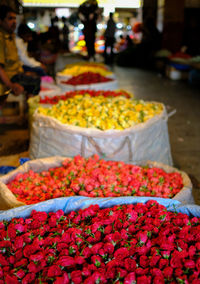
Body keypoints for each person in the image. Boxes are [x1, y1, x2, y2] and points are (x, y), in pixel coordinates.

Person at [0, 5, 41, 105]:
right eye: (10, 18)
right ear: (1, 21)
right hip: (9, 78)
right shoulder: (1, 38)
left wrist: (24, 73)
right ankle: (31, 109)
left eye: (15, 18)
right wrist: (11, 85)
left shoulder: (11, 36)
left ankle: (29, 107)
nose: (14, 22)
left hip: (16, 74)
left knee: (35, 76)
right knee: (35, 81)